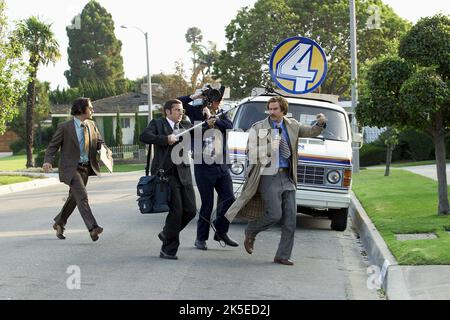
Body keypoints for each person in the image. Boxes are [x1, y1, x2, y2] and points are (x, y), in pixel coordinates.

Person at [225, 96, 327, 265]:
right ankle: (251, 230)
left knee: (290, 219)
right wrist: (269, 147)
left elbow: (311, 131)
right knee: (274, 214)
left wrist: (321, 123)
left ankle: (282, 255)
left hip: (287, 175)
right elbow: (250, 153)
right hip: (267, 175)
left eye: (275, 109)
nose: (271, 112)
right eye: (270, 109)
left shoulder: (292, 125)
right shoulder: (258, 127)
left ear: (283, 111)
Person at [178, 87, 238, 251]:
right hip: (203, 166)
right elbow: (179, 102)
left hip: (221, 165)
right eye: (215, 100)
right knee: (207, 204)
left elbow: (229, 126)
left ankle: (221, 230)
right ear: (208, 99)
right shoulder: (196, 112)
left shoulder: (223, 114)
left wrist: (214, 119)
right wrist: (195, 96)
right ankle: (200, 238)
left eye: (219, 101)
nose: (218, 103)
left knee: (230, 199)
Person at [139, 99, 197, 260]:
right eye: (177, 110)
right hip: (166, 175)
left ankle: (166, 233)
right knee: (176, 212)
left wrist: (209, 118)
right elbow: (144, 136)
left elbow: (201, 129)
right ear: (168, 112)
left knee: (191, 211)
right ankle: (168, 250)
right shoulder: (157, 124)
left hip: (184, 173)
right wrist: (165, 139)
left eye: (182, 110)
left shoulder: (185, 125)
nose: (181, 113)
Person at [43, 97, 106, 242]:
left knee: (74, 198)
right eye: (90, 108)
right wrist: (47, 161)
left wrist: (104, 151)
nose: (92, 110)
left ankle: (59, 222)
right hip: (71, 169)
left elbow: (99, 142)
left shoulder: (92, 125)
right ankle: (93, 228)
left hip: (85, 168)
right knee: (82, 196)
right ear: (80, 109)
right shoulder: (65, 127)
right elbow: (53, 146)